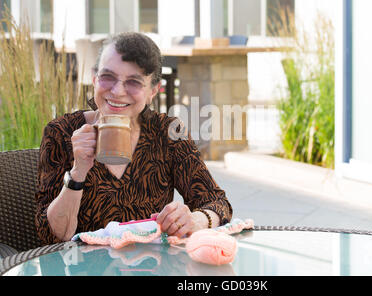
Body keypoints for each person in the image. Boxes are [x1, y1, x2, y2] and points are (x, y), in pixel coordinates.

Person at [35, 32, 233, 245]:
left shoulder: (167, 133)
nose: (118, 91)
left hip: (151, 266)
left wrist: (195, 220)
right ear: (94, 79)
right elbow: (53, 236)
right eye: (107, 77)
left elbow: (217, 203)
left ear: (153, 91)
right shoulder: (62, 132)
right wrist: (78, 171)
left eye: (134, 82)